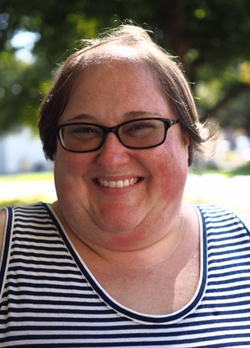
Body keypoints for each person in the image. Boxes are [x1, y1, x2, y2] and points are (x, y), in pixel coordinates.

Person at [0, 23, 250, 348]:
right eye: (84, 130)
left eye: (141, 126)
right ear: (55, 145)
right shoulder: (5, 249)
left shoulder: (242, 245)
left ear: (185, 138)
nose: (112, 158)